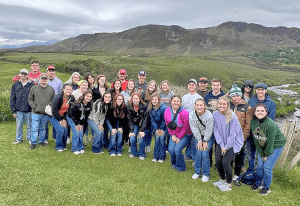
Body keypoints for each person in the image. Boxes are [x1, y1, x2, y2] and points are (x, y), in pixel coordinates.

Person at [250, 104, 286, 195]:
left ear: (266, 113)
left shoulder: (271, 124)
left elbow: (270, 143)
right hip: (263, 143)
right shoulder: (253, 122)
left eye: (262, 111)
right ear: (255, 112)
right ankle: (258, 183)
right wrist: (261, 153)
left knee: (267, 167)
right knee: (259, 166)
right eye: (258, 110)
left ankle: (266, 187)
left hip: (276, 145)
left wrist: (266, 154)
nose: (260, 112)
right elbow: (256, 138)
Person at [213, 96, 243, 191]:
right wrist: (222, 145)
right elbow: (216, 130)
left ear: (228, 105)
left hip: (233, 142)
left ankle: (229, 184)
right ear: (217, 105)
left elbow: (233, 134)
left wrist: (226, 147)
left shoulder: (231, 115)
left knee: (225, 162)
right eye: (220, 103)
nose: (222, 105)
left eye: (224, 104)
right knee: (218, 161)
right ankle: (223, 180)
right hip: (221, 141)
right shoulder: (215, 114)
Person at [247, 83, 276, 172]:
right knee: (251, 152)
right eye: (258, 90)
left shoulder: (271, 103)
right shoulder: (251, 101)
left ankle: (261, 170)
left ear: (265, 91)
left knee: (262, 153)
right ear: (256, 90)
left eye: (262, 90)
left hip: (263, 133)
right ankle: (251, 169)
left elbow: (271, 118)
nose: (260, 91)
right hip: (252, 130)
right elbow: (248, 116)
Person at [164, 95, 193, 172]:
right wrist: (172, 135)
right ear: (171, 102)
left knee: (177, 149)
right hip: (174, 134)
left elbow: (186, 127)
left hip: (185, 134)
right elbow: (168, 124)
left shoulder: (184, 112)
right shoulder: (167, 110)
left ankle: (181, 167)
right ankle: (174, 164)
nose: (176, 103)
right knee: (171, 149)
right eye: (174, 101)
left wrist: (179, 138)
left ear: (180, 102)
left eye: (178, 101)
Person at [229, 85, 252, 180]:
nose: (236, 98)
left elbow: (248, 123)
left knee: (239, 155)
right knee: (229, 154)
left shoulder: (247, 106)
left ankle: (237, 173)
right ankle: (228, 171)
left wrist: (244, 136)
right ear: (231, 96)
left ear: (241, 95)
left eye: (238, 95)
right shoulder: (228, 105)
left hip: (240, 136)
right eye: (234, 96)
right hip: (228, 135)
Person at [189, 99, 214, 182]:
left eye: (201, 105)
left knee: (205, 153)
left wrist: (205, 140)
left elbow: (209, 129)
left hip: (208, 136)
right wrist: (199, 140)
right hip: (198, 136)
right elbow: (194, 128)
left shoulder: (209, 115)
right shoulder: (192, 114)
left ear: (204, 106)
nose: (199, 107)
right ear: (195, 106)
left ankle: (206, 174)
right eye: (197, 105)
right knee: (198, 152)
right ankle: (197, 172)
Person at [28, 73, 55, 149]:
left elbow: (53, 100)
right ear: (39, 79)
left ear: (47, 79)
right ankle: (33, 143)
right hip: (35, 112)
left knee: (43, 128)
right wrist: (34, 107)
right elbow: (30, 99)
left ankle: (41, 141)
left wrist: (49, 109)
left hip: (45, 113)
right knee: (35, 128)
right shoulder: (34, 88)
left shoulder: (51, 89)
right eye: (42, 78)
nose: (43, 80)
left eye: (45, 79)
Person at [10, 69, 35, 144]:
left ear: (28, 75)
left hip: (29, 110)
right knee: (19, 126)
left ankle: (29, 139)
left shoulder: (31, 85)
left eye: (25, 74)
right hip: (18, 110)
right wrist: (13, 110)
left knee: (29, 126)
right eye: (22, 73)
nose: (23, 75)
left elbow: (34, 97)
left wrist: (33, 108)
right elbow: (12, 98)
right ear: (19, 74)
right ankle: (18, 139)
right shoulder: (15, 85)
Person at [182, 79, 203, 161]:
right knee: (188, 138)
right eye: (190, 85)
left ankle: (194, 157)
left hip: (195, 122)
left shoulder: (199, 97)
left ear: (196, 86)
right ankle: (188, 155)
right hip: (186, 122)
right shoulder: (184, 97)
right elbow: (182, 109)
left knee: (194, 140)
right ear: (188, 86)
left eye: (193, 85)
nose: (191, 86)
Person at [50, 83, 73, 152]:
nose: (68, 91)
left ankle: (63, 145)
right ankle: (58, 146)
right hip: (53, 116)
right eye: (67, 89)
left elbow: (68, 110)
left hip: (63, 116)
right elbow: (54, 111)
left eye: (70, 90)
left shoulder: (71, 98)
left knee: (65, 130)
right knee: (60, 130)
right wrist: (60, 120)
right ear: (63, 89)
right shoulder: (58, 97)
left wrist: (64, 119)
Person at [127, 92, 148, 160]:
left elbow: (145, 119)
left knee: (141, 138)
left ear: (139, 99)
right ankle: (133, 153)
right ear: (132, 99)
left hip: (143, 125)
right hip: (134, 124)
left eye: (137, 98)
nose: (135, 100)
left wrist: (142, 130)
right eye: (134, 98)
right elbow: (129, 120)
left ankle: (142, 154)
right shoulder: (129, 106)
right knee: (132, 137)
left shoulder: (144, 106)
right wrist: (131, 130)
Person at [148, 92, 167, 163]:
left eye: (156, 100)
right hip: (156, 127)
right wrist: (156, 129)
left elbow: (164, 119)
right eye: (153, 100)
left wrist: (161, 129)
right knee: (157, 140)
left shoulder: (163, 107)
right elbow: (152, 120)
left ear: (158, 100)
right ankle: (156, 156)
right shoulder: (151, 108)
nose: (154, 101)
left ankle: (162, 156)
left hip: (163, 126)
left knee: (161, 139)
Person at [46, 65, 63, 143]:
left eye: (53, 71)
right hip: (45, 103)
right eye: (50, 71)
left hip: (55, 104)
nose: (51, 72)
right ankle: (45, 138)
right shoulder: (44, 80)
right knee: (45, 121)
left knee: (55, 120)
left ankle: (55, 136)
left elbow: (60, 92)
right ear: (47, 72)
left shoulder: (59, 81)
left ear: (54, 72)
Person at [141, 80, 158, 153]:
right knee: (145, 130)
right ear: (148, 86)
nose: (151, 87)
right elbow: (141, 102)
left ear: (155, 87)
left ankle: (148, 145)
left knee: (150, 131)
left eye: (153, 86)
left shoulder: (156, 94)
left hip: (152, 115)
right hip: (145, 115)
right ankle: (144, 145)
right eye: (150, 85)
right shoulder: (144, 93)